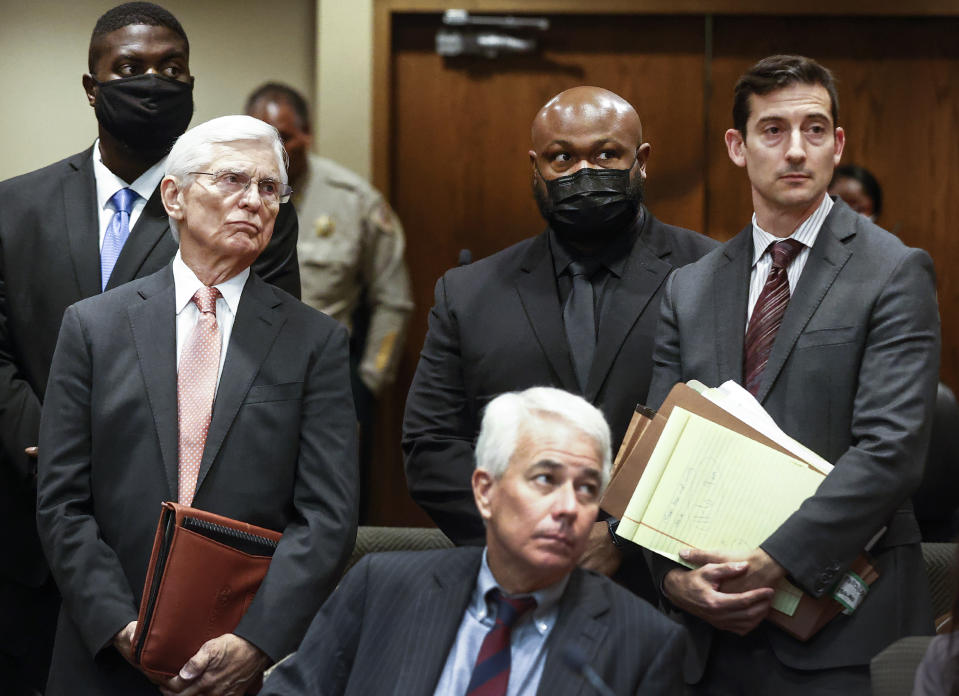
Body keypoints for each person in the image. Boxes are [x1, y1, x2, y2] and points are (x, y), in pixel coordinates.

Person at [0, 5, 300, 692]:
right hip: (27, 533)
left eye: (171, 68)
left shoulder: (242, 211)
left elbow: (261, 353)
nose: (153, 82)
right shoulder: (14, 207)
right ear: (91, 85)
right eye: (130, 69)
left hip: (171, 538)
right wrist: (55, 436)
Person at [646, 55, 939, 694]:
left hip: (844, 630)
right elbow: (656, 456)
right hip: (710, 632)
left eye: (814, 130)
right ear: (738, 146)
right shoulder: (688, 290)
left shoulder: (894, 271)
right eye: (773, 131)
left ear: (837, 145)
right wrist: (673, 580)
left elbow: (892, 452)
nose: (796, 150)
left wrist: (774, 560)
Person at [35, 115, 358, 696]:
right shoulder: (93, 327)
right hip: (104, 655)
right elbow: (61, 501)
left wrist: (256, 642)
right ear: (174, 196)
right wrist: (119, 624)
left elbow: (327, 517)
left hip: (245, 663)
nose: (254, 201)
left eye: (268, 189)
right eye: (233, 179)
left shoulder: (316, 342)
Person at [402, 86, 717, 576]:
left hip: (665, 591)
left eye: (607, 154)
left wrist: (622, 538)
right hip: (515, 581)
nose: (584, 172)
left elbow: (725, 440)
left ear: (643, 160)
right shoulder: (467, 294)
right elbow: (431, 447)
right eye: (562, 158)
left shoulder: (712, 276)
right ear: (536, 168)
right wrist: (532, 535)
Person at [261, 387, 686, 696]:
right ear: (486, 491)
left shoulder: (643, 643)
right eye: (545, 479)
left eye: (587, 489)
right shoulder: (382, 587)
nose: (569, 507)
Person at [245, 83, 412, 413]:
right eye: (258, 141)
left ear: (307, 135)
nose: (271, 153)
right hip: (247, 368)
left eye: (284, 139)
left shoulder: (354, 201)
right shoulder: (227, 199)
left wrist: (369, 381)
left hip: (326, 372)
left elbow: (393, 300)